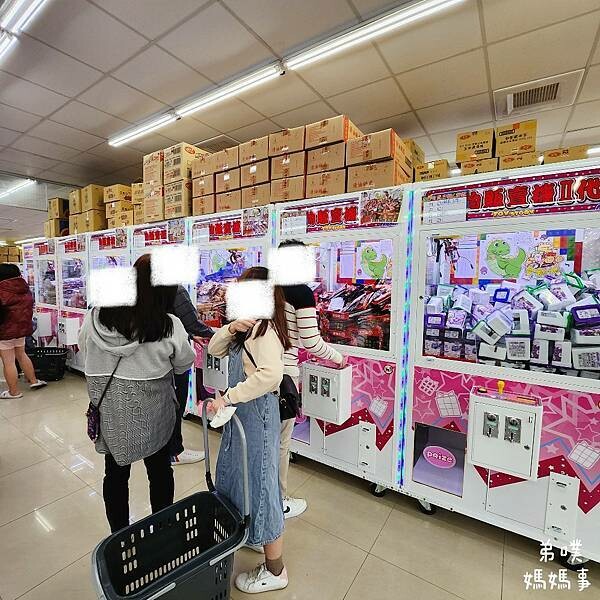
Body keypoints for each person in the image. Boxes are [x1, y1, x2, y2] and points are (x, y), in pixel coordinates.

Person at [79, 254, 195, 533]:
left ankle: (119, 535)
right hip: (155, 415)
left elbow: (84, 349)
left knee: (115, 475)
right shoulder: (168, 325)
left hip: (112, 413)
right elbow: (184, 363)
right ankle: (163, 528)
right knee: (160, 471)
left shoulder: (96, 317)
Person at [207, 266, 290, 594]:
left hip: (257, 414)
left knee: (261, 484)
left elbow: (271, 375)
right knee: (242, 478)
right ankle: (256, 535)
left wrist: (228, 397)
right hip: (243, 415)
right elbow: (213, 349)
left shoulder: (264, 330)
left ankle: (275, 569)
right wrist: (230, 328)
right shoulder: (247, 326)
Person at [279, 240, 346, 518]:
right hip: (283, 377)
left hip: (257, 372)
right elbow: (311, 341)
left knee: (264, 442)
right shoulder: (301, 292)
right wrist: (339, 357)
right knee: (280, 444)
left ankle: (263, 499)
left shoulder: (268, 287)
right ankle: (278, 502)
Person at [168, 284, 213, 465]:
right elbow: (191, 323)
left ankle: (163, 450)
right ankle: (174, 452)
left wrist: (190, 334)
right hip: (174, 357)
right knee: (176, 403)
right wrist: (219, 336)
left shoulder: (143, 288)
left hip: (152, 360)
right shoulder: (175, 290)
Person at [0, 263, 46, 399]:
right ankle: (33, 381)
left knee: (8, 361)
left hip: (4, 331)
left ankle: (14, 392)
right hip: (21, 329)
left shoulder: (1, 291)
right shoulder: (25, 289)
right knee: (21, 354)